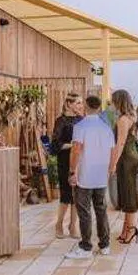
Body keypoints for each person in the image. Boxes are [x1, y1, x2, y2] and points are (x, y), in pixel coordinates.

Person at [66, 95, 115, 258]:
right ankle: (105, 245)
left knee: (84, 211)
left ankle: (86, 247)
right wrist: (110, 169)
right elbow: (112, 150)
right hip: (101, 174)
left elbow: (76, 150)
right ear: (99, 107)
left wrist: (72, 171)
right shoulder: (106, 127)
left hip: (84, 174)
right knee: (101, 210)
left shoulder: (80, 126)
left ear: (86, 107)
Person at [110, 89, 138, 245]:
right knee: (126, 193)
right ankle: (125, 229)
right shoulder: (132, 116)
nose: (112, 104)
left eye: (113, 101)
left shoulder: (123, 119)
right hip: (132, 156)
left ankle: (131, 230)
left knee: (128, 195)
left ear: (119, 101)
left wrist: (113, 164)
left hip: (127, 158)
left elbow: (120, 143)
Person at [52, 93, 84, 239]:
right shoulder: (60, 121)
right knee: (66, 195)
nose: (80, 106)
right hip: (65, 161)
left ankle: (73, 226)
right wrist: (73, 145)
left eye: (81, 103)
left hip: (79, 161)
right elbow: (55, 144)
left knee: (77, 195)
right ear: (69, 104)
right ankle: (59, 224)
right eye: (78, 103)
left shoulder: (81, 120)